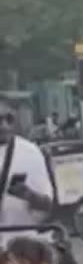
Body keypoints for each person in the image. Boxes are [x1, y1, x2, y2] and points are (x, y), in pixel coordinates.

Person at [0, 103, 56, 243]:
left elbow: (47, 205)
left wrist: (29, 195)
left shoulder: (30, 152)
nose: (4, 126)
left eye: (9, 119)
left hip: (20, 245)